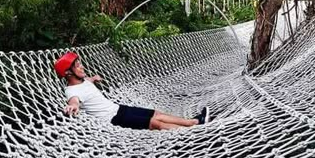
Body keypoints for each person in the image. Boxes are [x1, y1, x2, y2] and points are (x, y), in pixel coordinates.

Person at [54, 52, 210, 131]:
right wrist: (72, 107)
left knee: (156, 113)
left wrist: (93, 78)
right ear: (68, 73)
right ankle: (191, 132)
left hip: (118, 108)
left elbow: (86, 82)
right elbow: (74, 100)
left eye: (80, 63)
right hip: (113, 119)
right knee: (154, 123)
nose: (82, 67)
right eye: (77, 66)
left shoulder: (82, 81)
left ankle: (194, 122)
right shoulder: (72, 91)